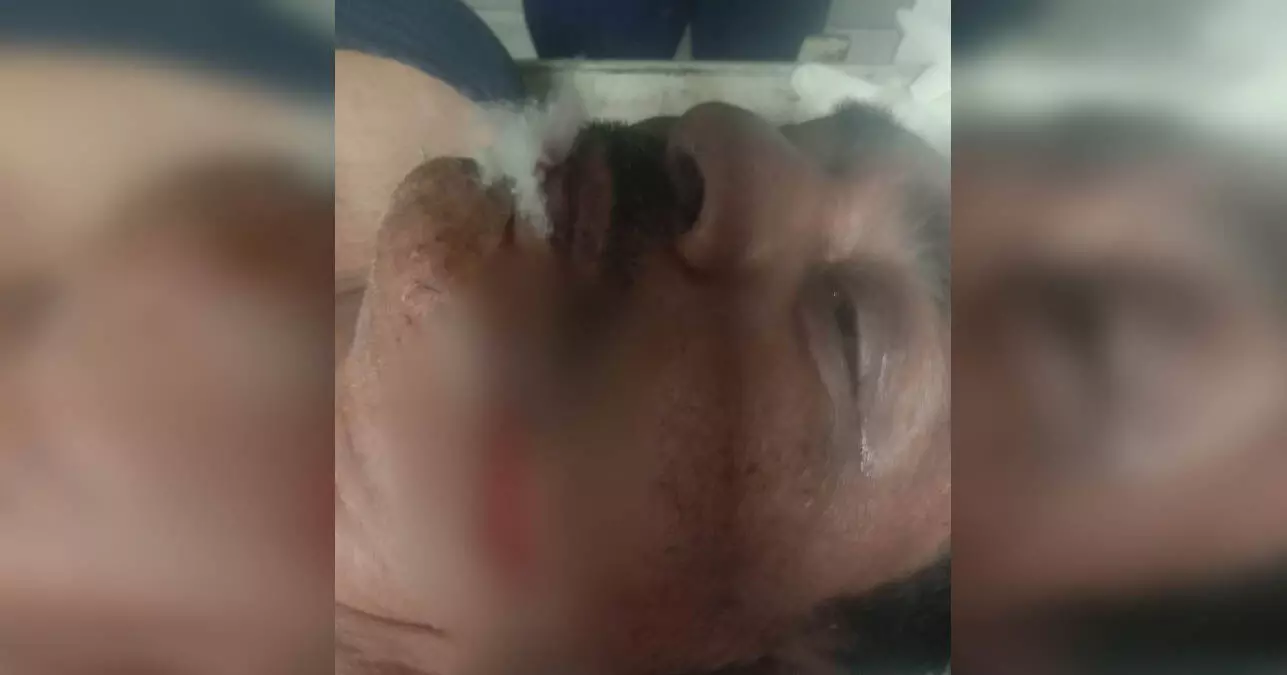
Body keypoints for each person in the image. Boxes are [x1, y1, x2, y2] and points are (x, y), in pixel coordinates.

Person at [334, 2, 951, 673]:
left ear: (768, 659)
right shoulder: (419, 50)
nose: (723, 129)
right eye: (808, 138)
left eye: (848, 325)